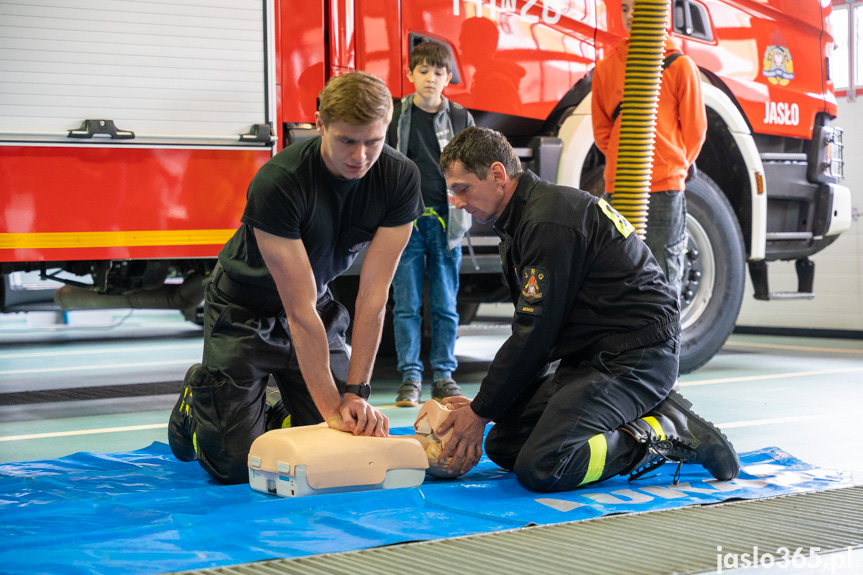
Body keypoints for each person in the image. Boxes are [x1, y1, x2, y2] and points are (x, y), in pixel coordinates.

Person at [433, 126, 738, 492]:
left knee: (544, 466)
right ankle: (647, 415)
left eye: (462, 189)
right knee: (503, 443)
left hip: (636, 359)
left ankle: (665, 428)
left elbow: (534, 335)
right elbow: (539, 335)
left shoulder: (547, 220)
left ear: (498, 175)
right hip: (593, 360)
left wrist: (480, 410)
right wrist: (484, 407)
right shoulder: (525, 221)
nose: (458, 202)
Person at [168, 71, 424, 485]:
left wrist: (357, 392)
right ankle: (200, 397)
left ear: (387, 129)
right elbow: (298, 310)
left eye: (372, 142)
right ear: (320, 123)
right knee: (235, 467)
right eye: (347, 141)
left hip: (316, 304)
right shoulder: (280, 183)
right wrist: (331, 413)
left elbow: (373, 297)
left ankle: (269, 409)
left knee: (345, 435)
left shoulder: (401, 178)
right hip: (244, 308)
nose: (360, 156)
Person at [591, 0, 707, 295]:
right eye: (625, 8)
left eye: (637, 7)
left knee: (663, 274)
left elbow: (696, 131)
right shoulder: (606, 69)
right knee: (620, 273)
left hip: (664, 188)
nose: (630, 16)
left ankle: (664, 341)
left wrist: (670, 166)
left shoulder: (680, 66)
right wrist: (626, 163)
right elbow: (602, 132)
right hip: (620, 187)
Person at [387, 41, 475, 407]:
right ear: (409, 75)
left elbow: (474, 168)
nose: (430, 78)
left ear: (448, 78)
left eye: (438, 72)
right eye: (422, 71)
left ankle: (443, 376)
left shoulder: (459, 117)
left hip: (447, 221)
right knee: (405, 304)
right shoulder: (394, 113)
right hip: (406, 222)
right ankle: (409, 378)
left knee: (445, 304)